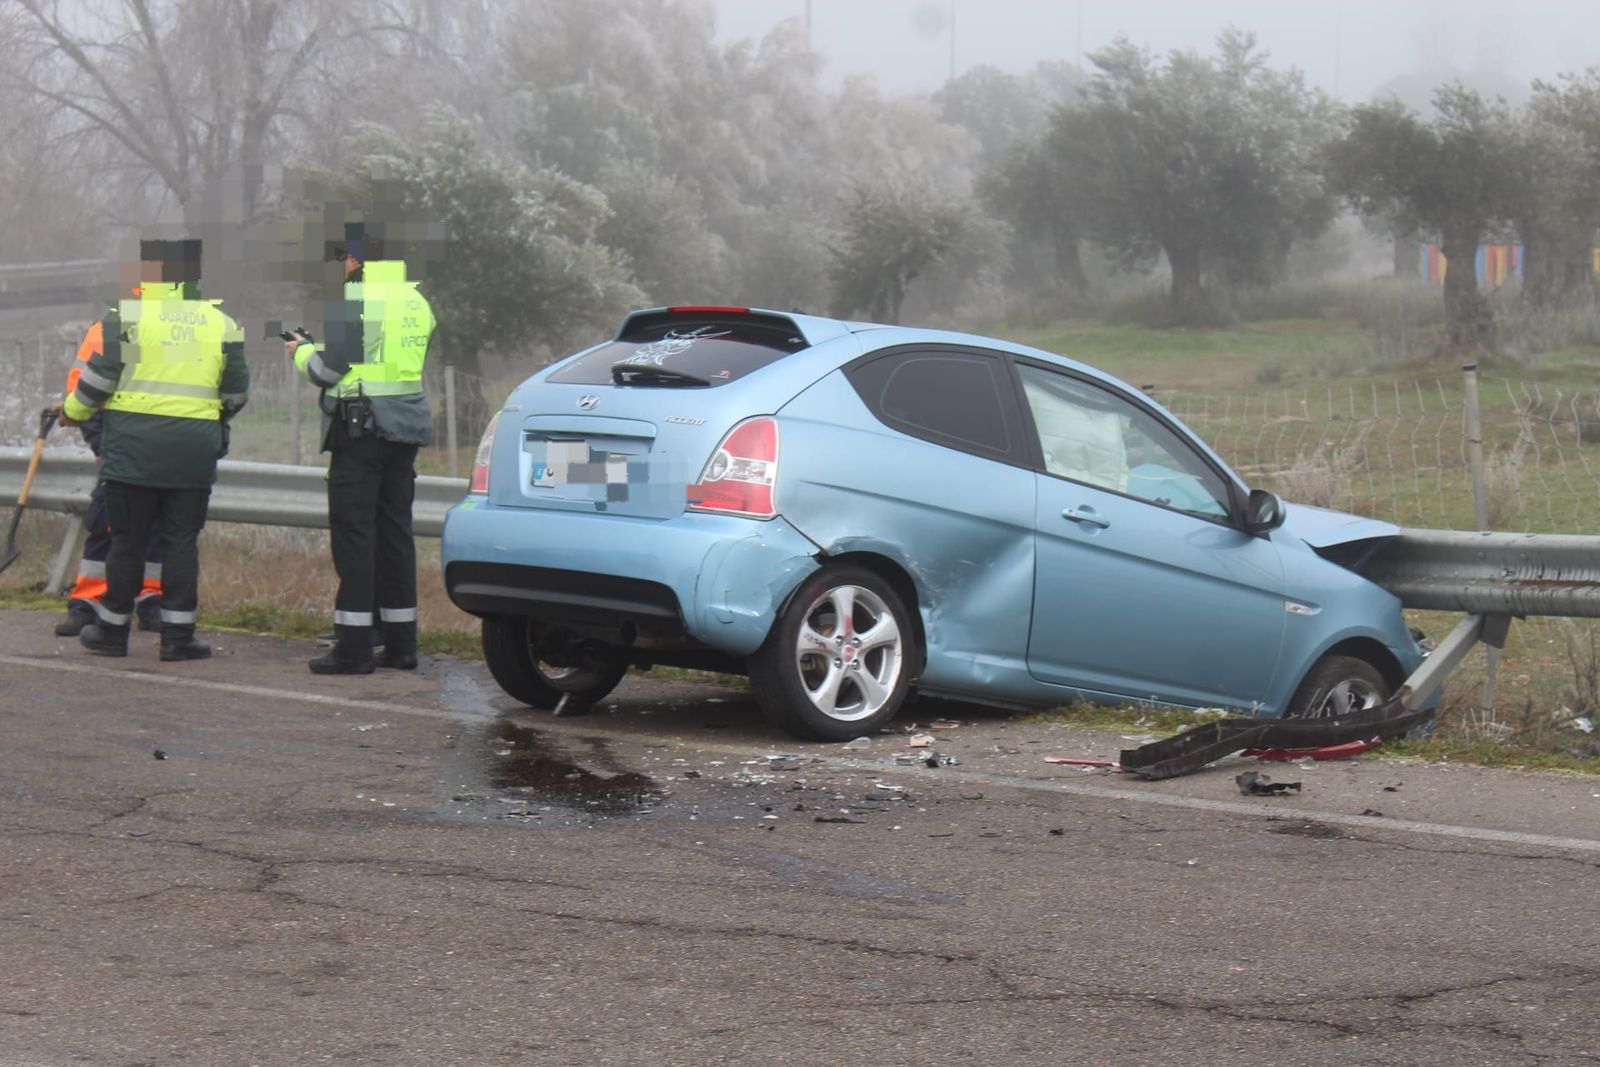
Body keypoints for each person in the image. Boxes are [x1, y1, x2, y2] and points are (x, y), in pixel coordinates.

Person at [61, 238, 249, 661]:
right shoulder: (221, 323)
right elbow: (236, 394)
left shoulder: (128, 319)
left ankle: (112, 634)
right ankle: (178, 639)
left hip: (133, 451)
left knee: (127, 540)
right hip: (193, 453)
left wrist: (71, 412)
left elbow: (96, 385)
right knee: (182, 541)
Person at [286, 224, 435, 674]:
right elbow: (377, 356)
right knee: (395, 535)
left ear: (357, 261)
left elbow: (329, 372)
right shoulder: (416, 301)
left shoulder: (358, 298)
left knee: (354, 535)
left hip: (361, 429)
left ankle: (352, 649)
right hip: (404, 427)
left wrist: (302, 350)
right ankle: (401, 645)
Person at [52, 315, 165, 636]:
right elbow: (81, 390)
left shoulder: (186, 330)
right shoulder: (110, 330)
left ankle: (150, 600)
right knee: (106, 521)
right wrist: (103, 443)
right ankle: (88, 602)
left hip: (161, 441)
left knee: (156, 525)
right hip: (119, 439)